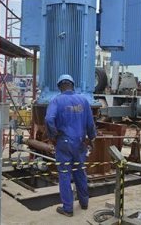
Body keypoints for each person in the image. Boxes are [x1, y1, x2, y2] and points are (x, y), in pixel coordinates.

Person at [45, 74, 96, 217]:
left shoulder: (56, 101)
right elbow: (90, 124)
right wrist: (92, 138)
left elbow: (49, 119)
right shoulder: (84, 101)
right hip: (80, 143)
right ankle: (84, 202)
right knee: (80, 171)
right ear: (73, 85)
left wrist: (53, 136)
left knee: (65, 174)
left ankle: (68, 208)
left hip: (64, 143)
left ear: (60, 86)